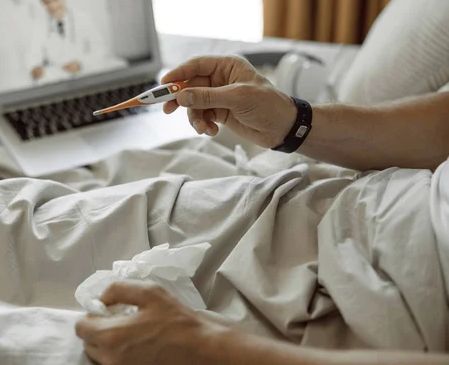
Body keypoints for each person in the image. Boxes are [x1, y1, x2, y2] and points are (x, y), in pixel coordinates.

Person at [74, 55, 449, 365]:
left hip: (377, 300)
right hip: (350, 202)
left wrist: (211, 350)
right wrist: (292, 121)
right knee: (38, 216)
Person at [28, 0, 108, 81]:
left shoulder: (82, 17)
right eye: (47, 2)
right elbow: (33, 54)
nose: (53, 6)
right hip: (57, 78)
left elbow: (100, 48)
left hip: (85, 72)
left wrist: (81, 64)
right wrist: (35, 68)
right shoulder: (40, 26)